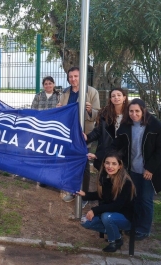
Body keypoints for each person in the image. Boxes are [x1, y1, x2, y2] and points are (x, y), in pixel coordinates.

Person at [113, 98, 161, 240]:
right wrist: (103, 156)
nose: (134, 114)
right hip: (132, 170)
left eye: (137, 111)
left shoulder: (155, 126)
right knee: (134, 198)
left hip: (148, 171)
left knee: (145, 199)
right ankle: (134, 225)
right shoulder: (126, 126)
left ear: (143, 111)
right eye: (131, 111)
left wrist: (150, 169)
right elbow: (117, 145)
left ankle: (144, 229)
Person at [58, 67, 100, 207]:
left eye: (76, 76)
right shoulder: (65, 93)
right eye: (70, 76)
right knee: (70, 162)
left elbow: (96, 115)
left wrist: (89, 111)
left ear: (81, 77)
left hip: (83, 134)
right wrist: (58, 110)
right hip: (67, 133)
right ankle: (72, 190)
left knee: (84, 164)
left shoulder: (92, 92)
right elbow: (61, 112)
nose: (73, 79)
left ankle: (84, 195)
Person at [77, 151, 136, 252]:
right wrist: (85, 194)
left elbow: (117, 206)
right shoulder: (106, 178)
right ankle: (115, 232)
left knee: (106, 216)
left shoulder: (126, 183)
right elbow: (100, 195)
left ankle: (115, 241)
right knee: (84, 221)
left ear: (120, 166)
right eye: (107, 163)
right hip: (109, 215)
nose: (110, 166)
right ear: (103, 164)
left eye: (114, 164)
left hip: (125, 218)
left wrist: (94, 210)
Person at [85, 88, 128, 171]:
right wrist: (87, 138)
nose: (116, 97)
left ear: (124, 98)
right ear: (110, 99)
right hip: (106, 151)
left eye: (119, 95)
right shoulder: (105, 114)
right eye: (113, 96)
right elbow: (97, 131)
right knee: (105, 181)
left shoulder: (130, 114)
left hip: (124, 153)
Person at [31, 76, 61, 188]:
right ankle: (41, 177)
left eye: (50, 83)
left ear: (54, 84)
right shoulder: (38, 96)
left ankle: (51, 176)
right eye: (46, 84)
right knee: (41, 151)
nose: (48, 85)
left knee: (52, 152)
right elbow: (33, 110)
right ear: (43, 86)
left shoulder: (59, 96)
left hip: (54, 129)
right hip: (40, 128)